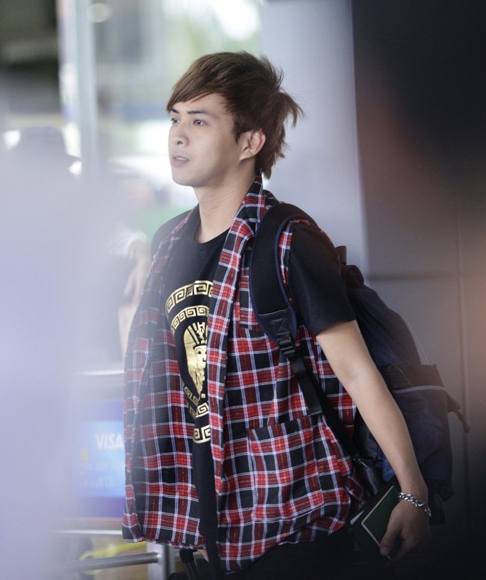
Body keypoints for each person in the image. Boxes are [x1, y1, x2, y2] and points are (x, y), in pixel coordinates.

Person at [121, 52, 431, 579]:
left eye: (200, 121)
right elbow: (158, 373)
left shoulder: (288, 240)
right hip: (205, 519)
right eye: (175, 119)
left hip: (293, 515)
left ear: (250, 142)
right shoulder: (168, 242)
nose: (178, 136)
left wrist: (412, 492)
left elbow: (357, 373)